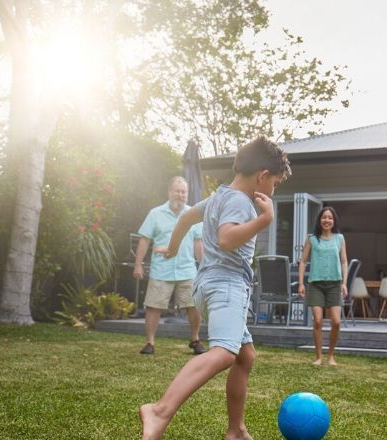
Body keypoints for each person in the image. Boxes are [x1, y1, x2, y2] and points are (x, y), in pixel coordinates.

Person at [139, 136, 291, 440]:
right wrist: (265, 219)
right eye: (274, 183)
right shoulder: (240, 201)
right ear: (262, 176)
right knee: (223, 353)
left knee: (244, 356)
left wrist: (171, 248)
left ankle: (236, 430)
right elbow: (226, 238)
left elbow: (185, 218)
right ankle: (159, 410)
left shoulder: (220, 196)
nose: (273, 190)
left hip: (207, 285)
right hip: (227, 286)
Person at [134, 176, 207, 356]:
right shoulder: (155, 214)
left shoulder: (194, 214)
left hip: (187, 269)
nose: (180, 194)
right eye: (177, 191)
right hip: (161, 269)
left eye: (183, 192)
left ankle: (195, 339)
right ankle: (150, 343)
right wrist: (138, 264)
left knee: (194, 305)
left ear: (187, 194)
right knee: (153, 306)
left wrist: (204, 266)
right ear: (169, 192)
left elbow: (199, 243)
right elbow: (144, 240)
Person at [297, 207, 348, 366]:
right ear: (319, 220)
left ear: (334, 221)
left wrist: (344, 283)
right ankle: (318, 357)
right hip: (316, 285)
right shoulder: (312, 239)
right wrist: (300, 283)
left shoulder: (339, 238)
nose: (327, 220)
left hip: (334, 284)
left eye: (330, 218)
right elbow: (303, 261)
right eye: (324, 217)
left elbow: (344, 261)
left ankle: (331, 356)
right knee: (318, 321)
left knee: (336, 322)